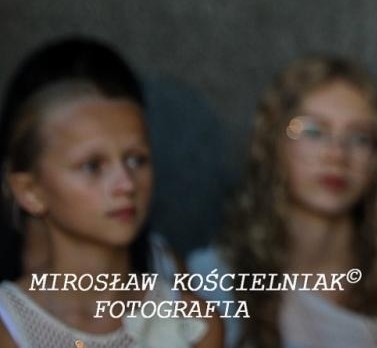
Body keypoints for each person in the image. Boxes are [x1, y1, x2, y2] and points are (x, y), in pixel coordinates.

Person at [188, 55, 377, 348]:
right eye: (313, 131)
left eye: (359, 137)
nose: (336, 154)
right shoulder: (212, 281)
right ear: (273, 142)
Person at [0, 36, 223, 348]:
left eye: (137, 160)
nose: (126, 184)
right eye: (93, 166)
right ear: (29, 191)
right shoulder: (10, 327)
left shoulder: (191, 323)